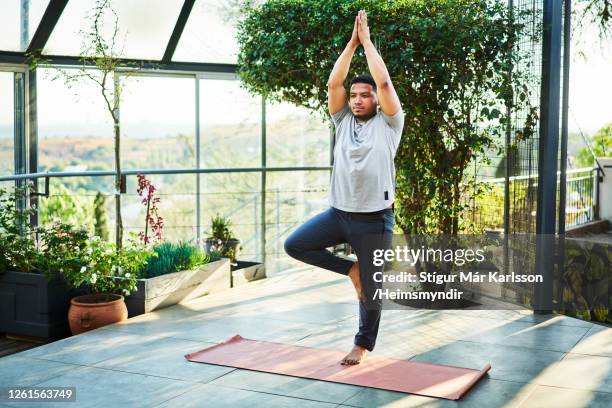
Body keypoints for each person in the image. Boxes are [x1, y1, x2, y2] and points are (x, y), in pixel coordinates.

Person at [284, 9, 404, 365]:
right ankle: (349, 268)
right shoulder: (342, 119)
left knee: (371, 289)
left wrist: (367, 42)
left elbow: (384, 84)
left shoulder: (389, 123)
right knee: (296, 245)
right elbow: (333, 85)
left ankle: (361, 345)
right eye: (354, 95)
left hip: (374, 219)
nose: (356, 99)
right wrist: (352, 43)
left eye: (364, 95)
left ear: (375, 100)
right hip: (339, 213)